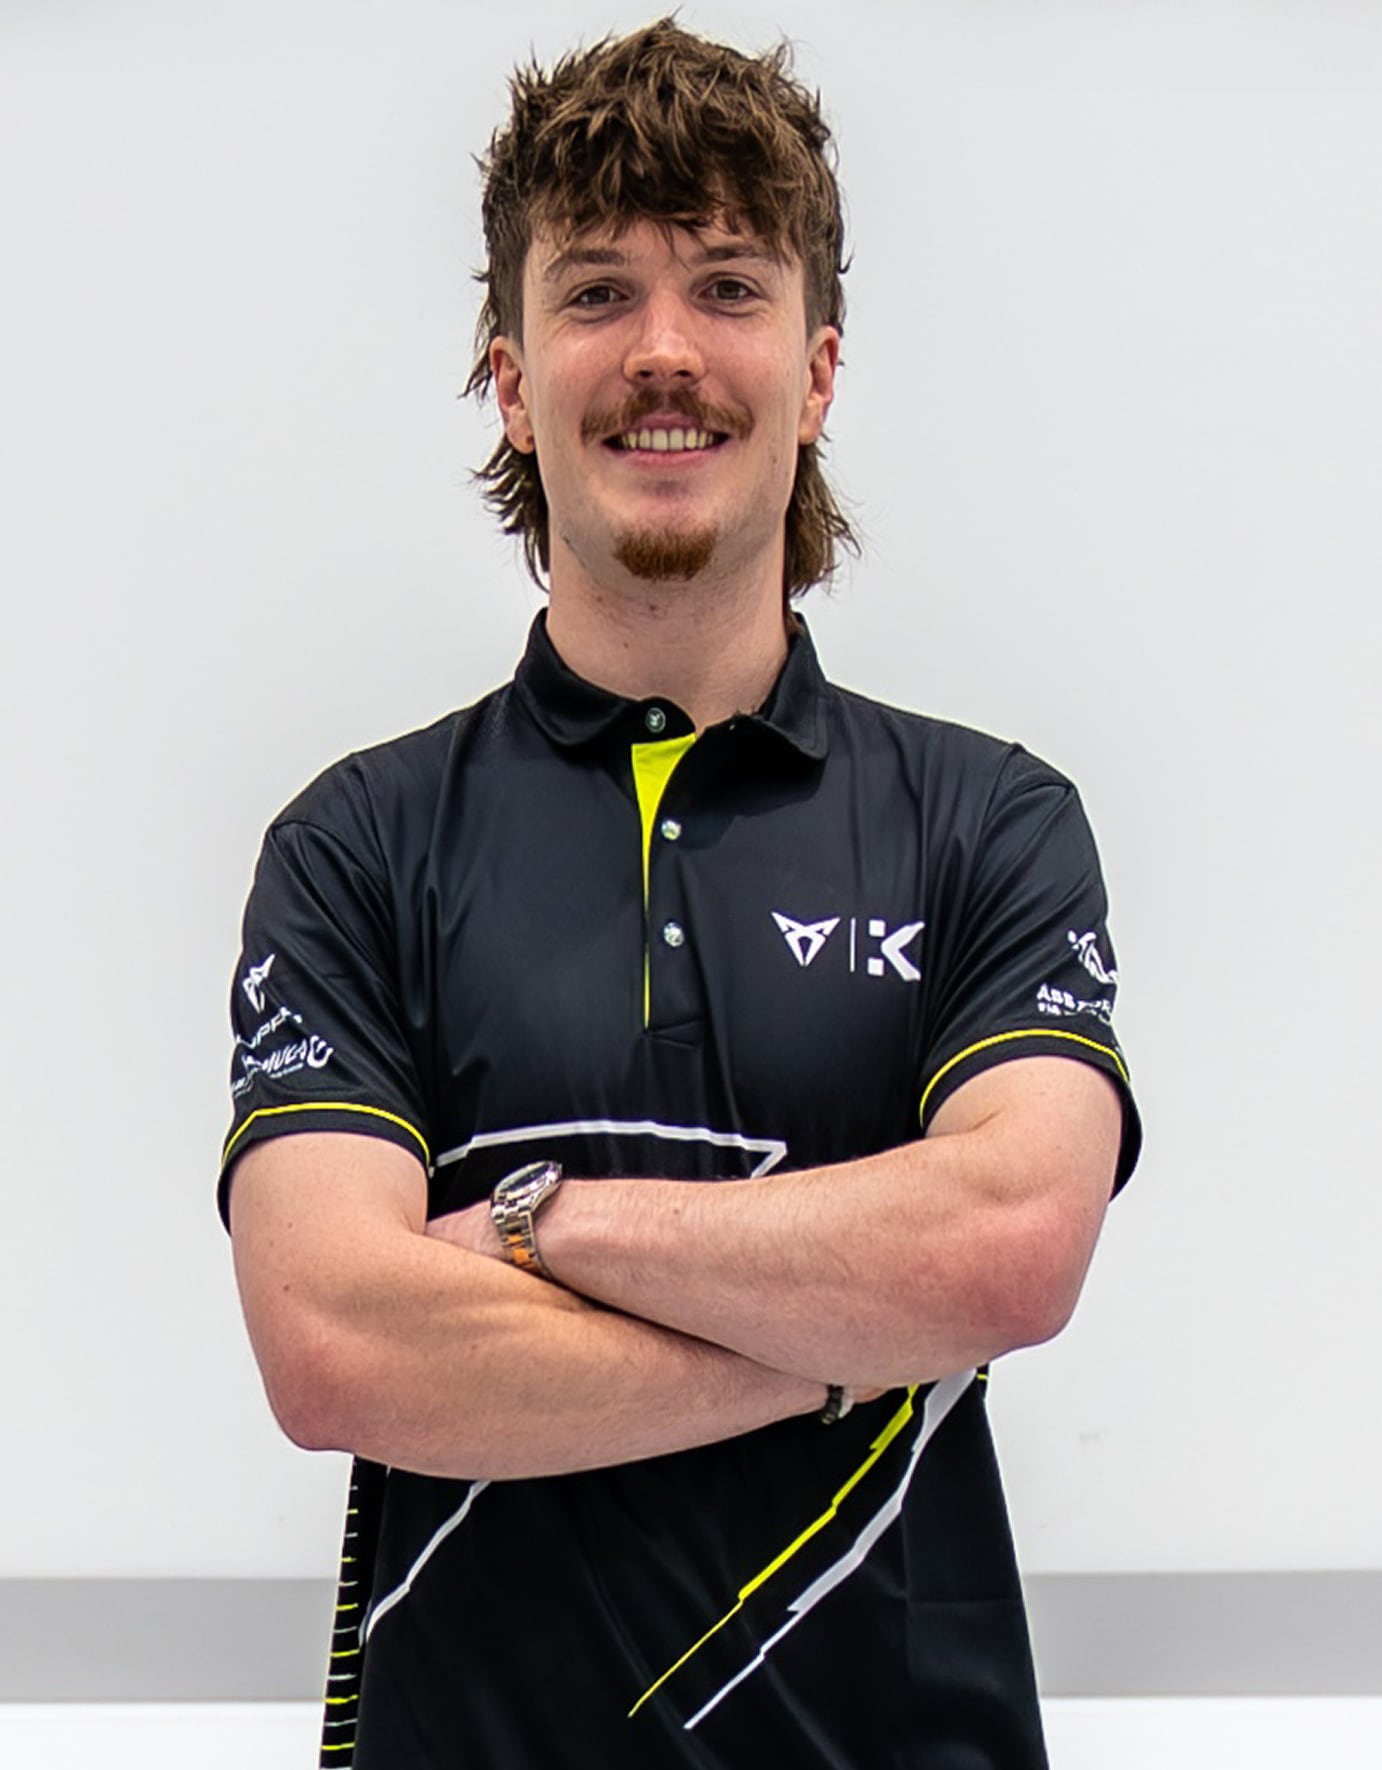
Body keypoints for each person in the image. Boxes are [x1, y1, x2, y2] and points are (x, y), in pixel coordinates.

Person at [221, 19, 1140, 1769]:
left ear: (817, 367)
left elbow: (1009, 1242)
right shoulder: (357, 844)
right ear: (506, 374)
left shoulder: (987, 822)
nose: (663, 351)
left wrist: (533, 1225)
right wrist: (851, 1329)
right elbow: (333, 1336)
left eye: (727, 284)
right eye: (594, 293)